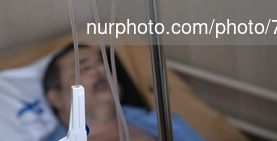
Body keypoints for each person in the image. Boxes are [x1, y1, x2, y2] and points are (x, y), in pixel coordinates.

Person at [42, 44, 204, 141]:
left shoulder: (167, 123)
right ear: (56, 98)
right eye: (84, 68)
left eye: (103, 63)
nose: (101, 69)